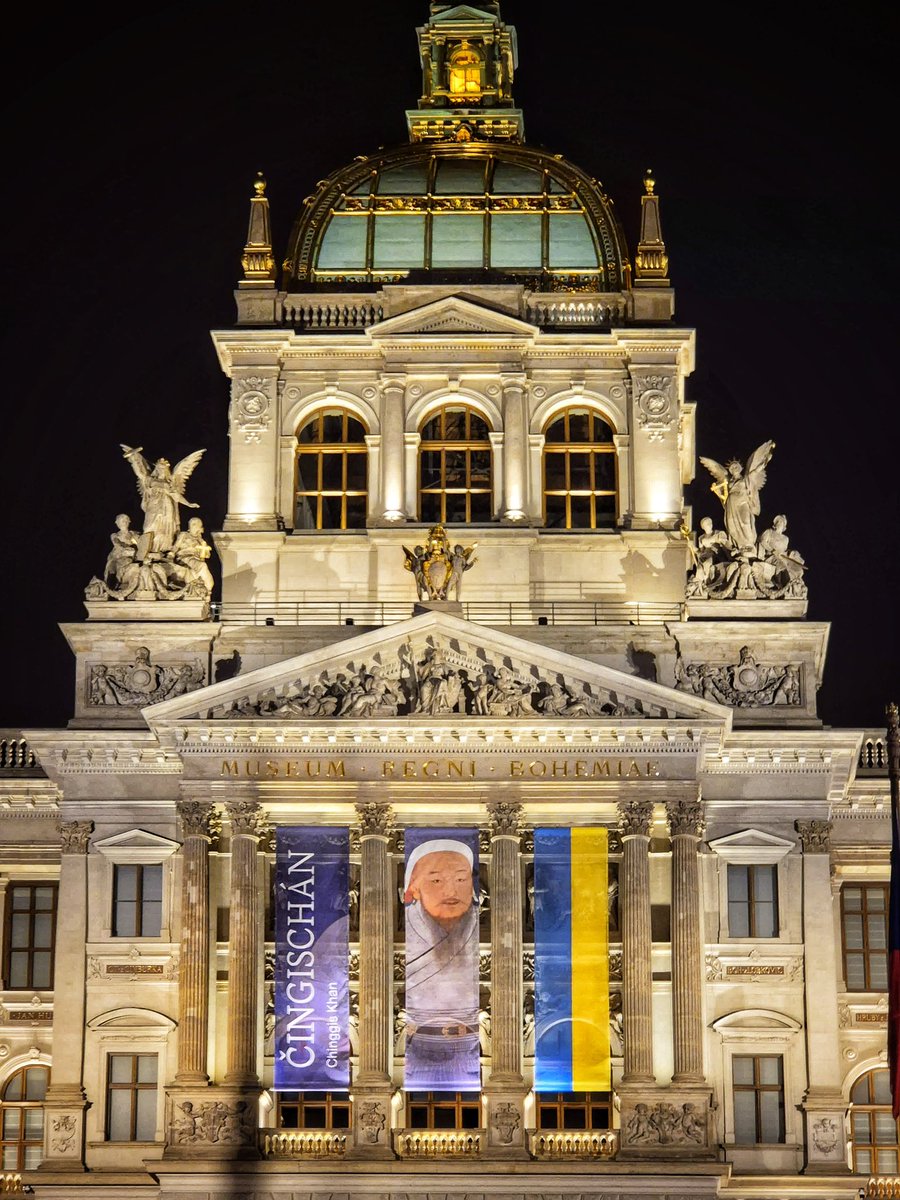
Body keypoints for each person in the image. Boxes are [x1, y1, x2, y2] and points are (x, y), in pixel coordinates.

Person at [404, 838, 480, 1089]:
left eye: (460, 879)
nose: (451, 891)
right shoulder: (408, 924)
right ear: (413, 888)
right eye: (436, 880)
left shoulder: (479, 923)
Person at [120, 444, 205, 555]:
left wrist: (188, 504)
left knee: (166, 530)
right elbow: (140, 473)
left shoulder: (170, 483)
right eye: (159, 467)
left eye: (163, 468)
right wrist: (132, 456)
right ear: (156, 468)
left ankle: (165, 552)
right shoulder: (150, 480)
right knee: (149, 527)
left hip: (167, 508)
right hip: (153, 507)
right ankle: (148, 551)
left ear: (166, 469)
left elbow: (176, 496)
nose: (161, 469)